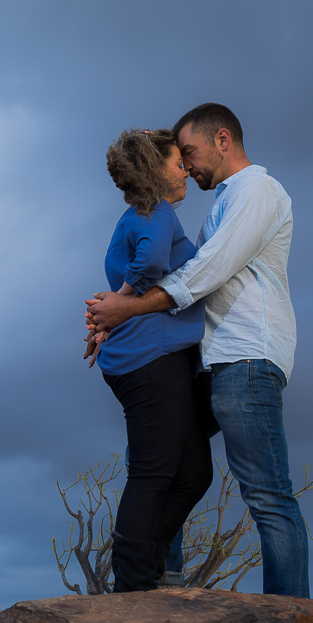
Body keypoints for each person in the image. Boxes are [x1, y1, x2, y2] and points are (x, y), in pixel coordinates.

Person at [86, 104, 308, 598]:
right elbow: (179, 274)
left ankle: (290, 613)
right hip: (210, 358)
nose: (187, 165)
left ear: (222, 139)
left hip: (244, 355)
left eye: (190, 152)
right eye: (178, 156)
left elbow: (207, 272)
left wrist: (125, 307)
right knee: (170, 465)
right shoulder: (220, 203)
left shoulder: (257, 192)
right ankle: (157, 581)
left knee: (264, 494)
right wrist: (145, 149)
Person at [93, 128, 212, 592]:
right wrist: (120, 303)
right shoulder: (157, 214)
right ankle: (133, 584)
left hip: (158, 355)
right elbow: (150, 264)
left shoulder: (137, 216)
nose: (184, 169)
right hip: (150, 358)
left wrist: (109, 317)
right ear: (154, 171)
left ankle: (144, 565)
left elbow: (141, 264)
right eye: (176, 162)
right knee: (154, 471)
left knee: (194, 472)